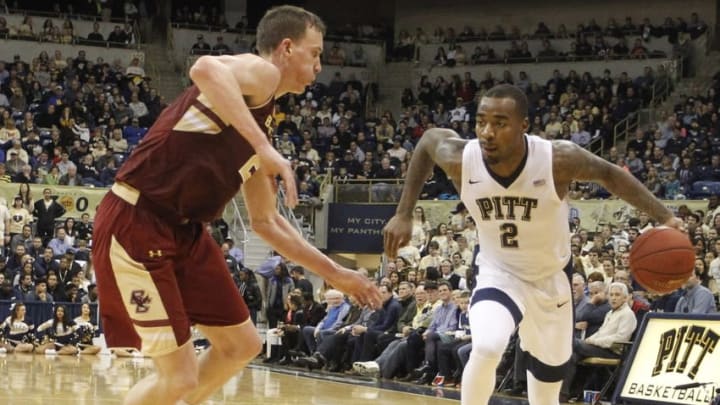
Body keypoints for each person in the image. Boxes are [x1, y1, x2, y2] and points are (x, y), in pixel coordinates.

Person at [91, 6, 381, 405]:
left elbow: (266, 222)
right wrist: (263, 149)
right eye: (314, 53)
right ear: (286, 47)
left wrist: (338, 273)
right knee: (178, 377)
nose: (319, 65)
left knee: (241, 345)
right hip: (139, 220)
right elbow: (205, 68)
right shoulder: (262, 74)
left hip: (186, 231)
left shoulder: (259, 120)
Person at [383, 84, 682, 405]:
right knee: (486, 346)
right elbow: (428, 141)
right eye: (481, 121)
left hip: (550, 279)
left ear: (523, 126)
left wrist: (666, 217)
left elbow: (610, 175)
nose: (487, 132)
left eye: (500, 123)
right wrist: (403, 212)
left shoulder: (557, 158)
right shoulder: (461, 158)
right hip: (498, 271)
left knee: (546, 392)